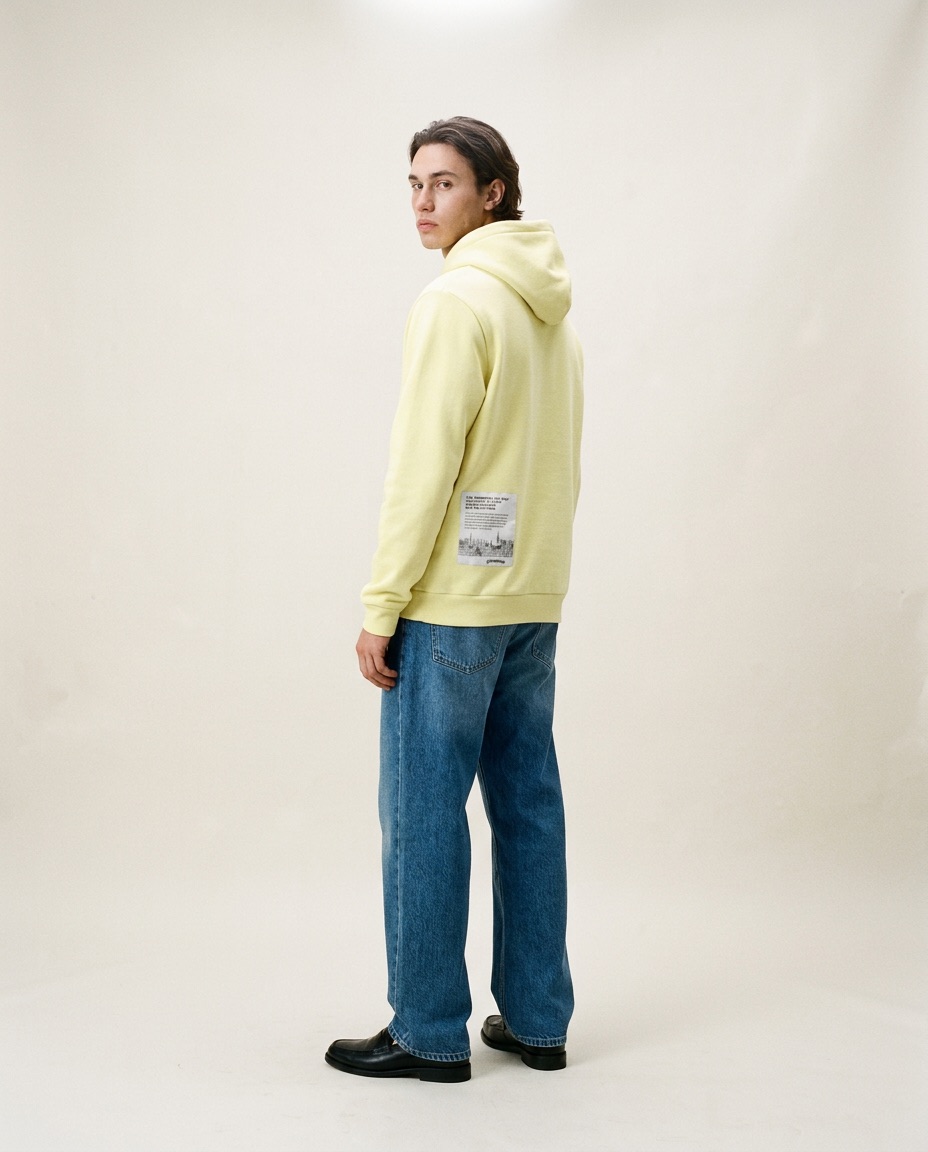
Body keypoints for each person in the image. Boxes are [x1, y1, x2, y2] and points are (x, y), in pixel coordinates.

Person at [325, 117, 583, 1083]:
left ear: (493, 192)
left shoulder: (455, 302)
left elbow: (421, 468)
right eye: (414, 183)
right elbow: (556, 462)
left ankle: (429, 1030)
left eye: (444, 183)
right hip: (531, 599)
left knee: (424, 812)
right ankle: (539, 1020)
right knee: (528, 805)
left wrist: (382, 603)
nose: (423, 202)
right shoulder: (552, 314)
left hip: (450, 607)